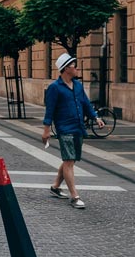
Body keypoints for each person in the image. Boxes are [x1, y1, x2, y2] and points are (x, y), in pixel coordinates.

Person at [42, 53, 103, 210]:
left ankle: (55, 186)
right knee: (69, 161)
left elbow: (86, 104)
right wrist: (46, 130)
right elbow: (50, 110)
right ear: (66, 69)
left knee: (71, 159)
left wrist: (96, 118)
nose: (77, 68)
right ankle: (74, 196)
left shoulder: (77, 86)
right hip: (64, 129)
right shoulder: (54, 88)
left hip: (78, 127)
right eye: (74, 65)